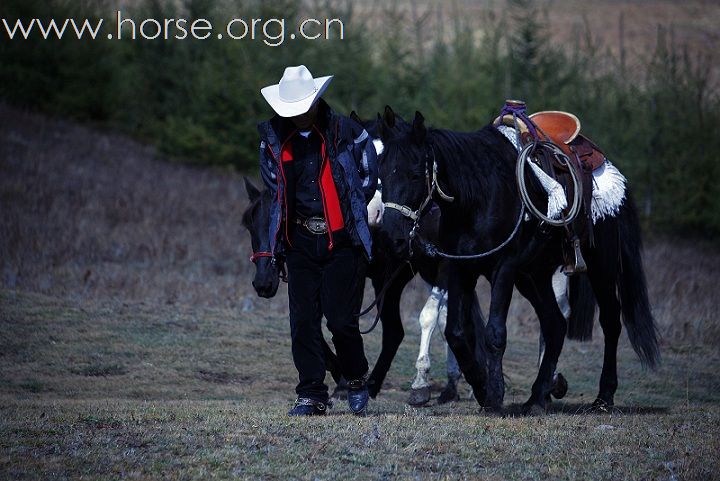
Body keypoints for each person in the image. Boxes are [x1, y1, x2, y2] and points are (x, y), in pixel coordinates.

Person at [257, 65, 378, 416]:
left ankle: (355, 377)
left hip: (341, 240)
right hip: (299, 241)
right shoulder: (273, 141)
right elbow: (274, 188)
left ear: (315, 102)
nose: (297, 116)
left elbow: (368, 175)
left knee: (341, 320)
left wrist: (349, 205)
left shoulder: (347, 132)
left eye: (302, 108)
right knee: (303, 322)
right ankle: (311, 393)